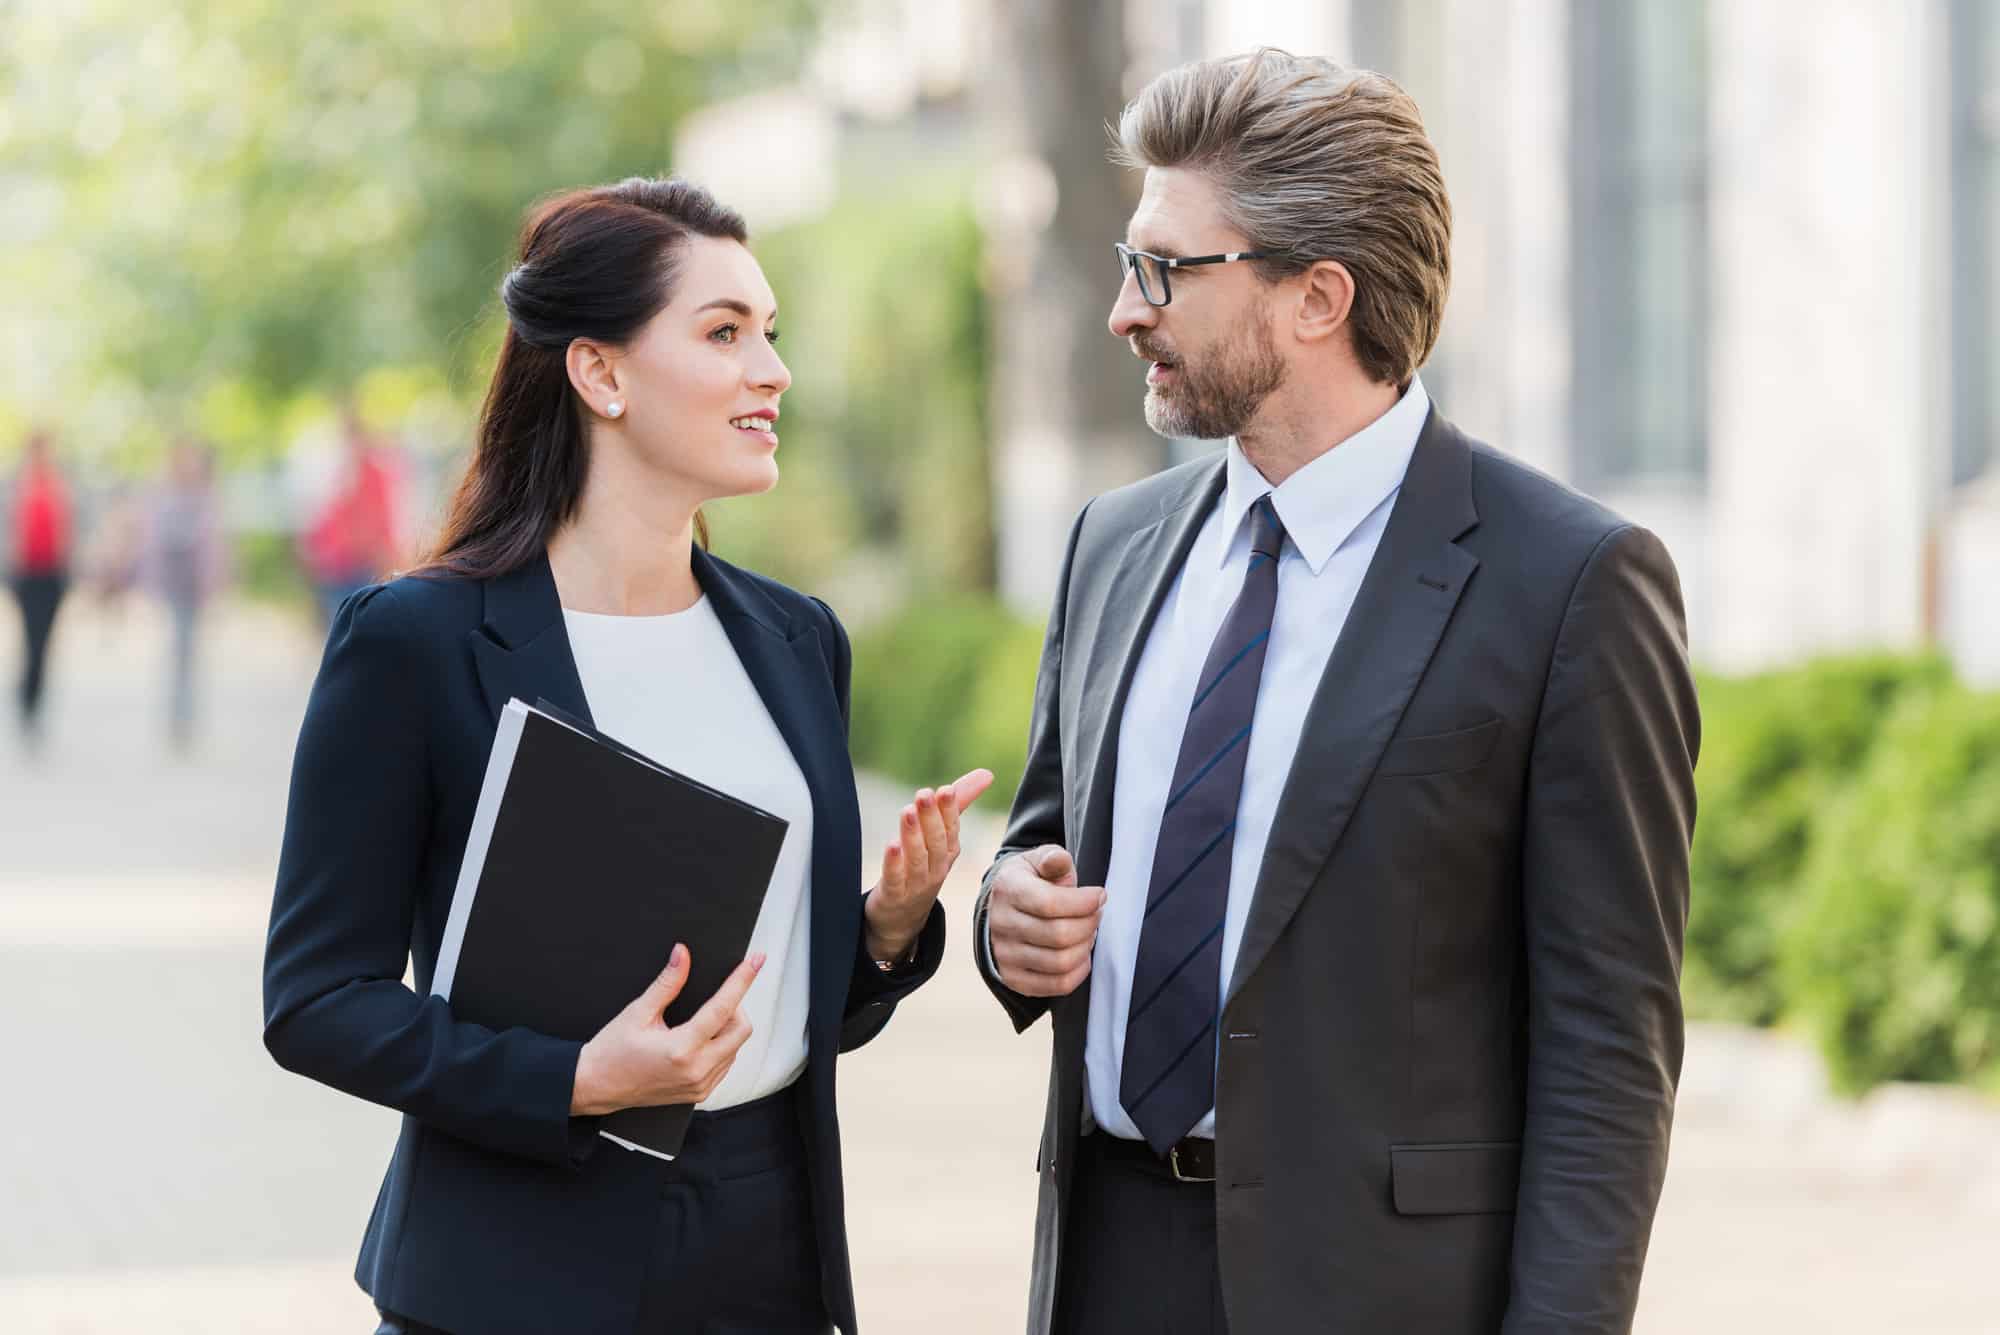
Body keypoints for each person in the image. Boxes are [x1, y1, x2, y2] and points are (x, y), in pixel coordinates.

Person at [974, 50, 1699, 1334]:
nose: (1121, 310)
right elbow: (1047, 842)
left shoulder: (1569, 583)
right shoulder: (1112, 545)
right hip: (1106, 1263)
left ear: (1315, 297)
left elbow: (1607, 1054)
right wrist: (1005, 916)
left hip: (1385, 1294)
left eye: (1162, 269)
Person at [263, 176, 991, 1335]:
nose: (772, 370)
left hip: (768, 1247)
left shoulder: (796, 639)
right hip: (512, 1266)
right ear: (599, 373)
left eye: (770, 333)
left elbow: (790, 1002)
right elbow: (315, 1001)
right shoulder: (417, 643)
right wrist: (575, 1081)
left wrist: (889, 927)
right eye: (723, 333)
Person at [139, 438, 230, 749]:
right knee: (180, 649)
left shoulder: (206, 499)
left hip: (194, 587)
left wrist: (216, 585)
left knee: (188, 652)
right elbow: (154, 543)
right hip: (175, 586)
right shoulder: (165, 498)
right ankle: (178, 718)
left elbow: (214, 549)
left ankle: (185, 718)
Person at [299, 409, 401, 625]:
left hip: (364, 564)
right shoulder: (340, 471)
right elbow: (326, 516)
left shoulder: (375, 472)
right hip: (338, 565)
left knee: (360, 625)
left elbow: (381, 520)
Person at [8, 430, 73, 748]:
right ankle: (26, 699)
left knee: (44, 642)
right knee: (30, 639)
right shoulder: (17, 487)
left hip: (52, 575)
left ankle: (33, 699)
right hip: (27, 575)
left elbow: (68, 531)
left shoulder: (59, 488)